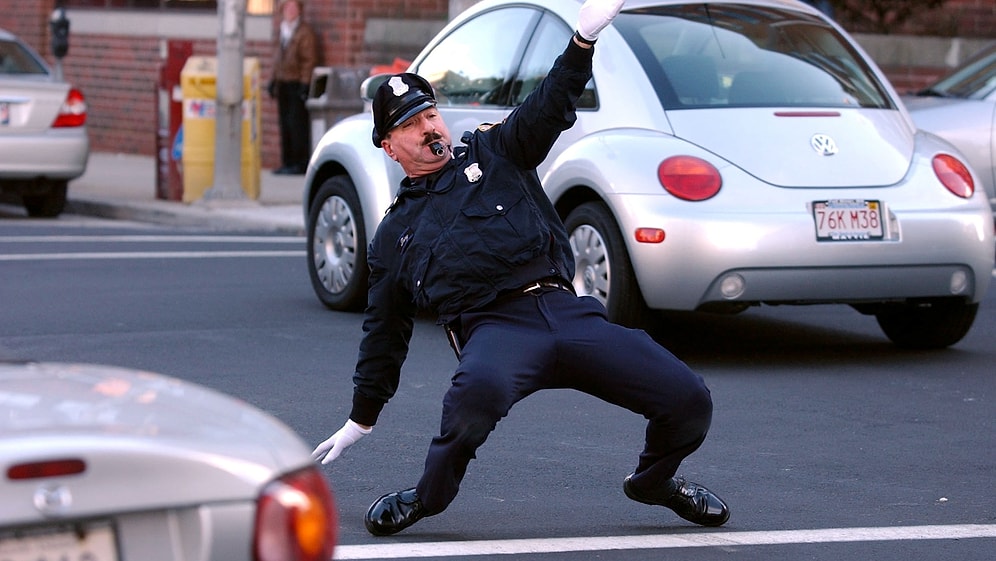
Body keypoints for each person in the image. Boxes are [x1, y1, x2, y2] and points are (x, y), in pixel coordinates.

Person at [311, 0, 730, 537]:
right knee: (474, 396)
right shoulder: (395, 235)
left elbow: (547, 106)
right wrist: (362, 417)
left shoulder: (496, 152)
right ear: (390, 147)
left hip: (565, 311)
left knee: (688, 398)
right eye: (410, 125)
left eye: (430, 114)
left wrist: (582, 41)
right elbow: (384, 333)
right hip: (495, 329)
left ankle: (654, 482)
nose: (427, 127)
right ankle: (427, 497)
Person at [268, 0, 316, 175]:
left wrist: (304, 83)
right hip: (283, 82)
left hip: (296, 82)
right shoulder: (282, 30)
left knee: (297, 125)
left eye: (293, 7)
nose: (290, 10)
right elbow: (277, 59)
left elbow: (308, 60)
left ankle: (299, 162)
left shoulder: (304, 32)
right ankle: (287, 161)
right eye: (287, 7)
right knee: (285, 124)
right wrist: (273, 79)